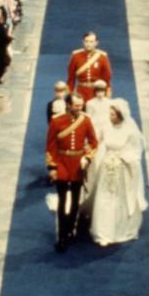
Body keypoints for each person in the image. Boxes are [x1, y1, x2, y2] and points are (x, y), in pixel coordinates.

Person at [88, 99, 148, 247]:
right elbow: (97, 143)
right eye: (110, 114)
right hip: (106, 166)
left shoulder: (130, 130)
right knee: (104, 198)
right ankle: (103, 232)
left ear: (120, 115)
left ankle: (120, 228)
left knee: (119, 199)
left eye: (113, 114)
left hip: (122, 168)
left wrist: (123, 158)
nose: (110, 117)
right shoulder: (106, 127)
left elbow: (135, 151)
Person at [46, 93, 98, 252]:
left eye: (81, 106)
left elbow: (94, 142)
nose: (79, 108)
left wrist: (87, 158)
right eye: (77, 105)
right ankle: (62, 236)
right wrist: (52, 167)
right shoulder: (57, 121)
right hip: (62, 163)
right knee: (62, 201)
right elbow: (51, 145)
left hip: (78, 165)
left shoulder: (86, 120)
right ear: (68, 104)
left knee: (75, 201)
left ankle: (70, 228)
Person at [66, 31, 112, 103]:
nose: (88, 44)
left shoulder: (102, 57)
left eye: (91, 42)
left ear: (96, 43)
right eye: (86, 41)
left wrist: (107, 95)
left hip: (97, 93)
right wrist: (70, 95)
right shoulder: (76, 56)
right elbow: (71, 79)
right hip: (80, 92)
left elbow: (106, 79)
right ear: (83, 42)